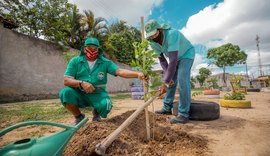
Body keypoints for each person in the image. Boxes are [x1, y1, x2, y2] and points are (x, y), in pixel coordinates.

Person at [59, 37, 145, 125]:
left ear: (98, 49)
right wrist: (81, 83)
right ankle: (79, 117)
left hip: (97, 93)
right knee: (65, 93)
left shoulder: (105, 62)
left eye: (94, 49)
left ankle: (97, 113)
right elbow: (66, 80)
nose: (92, 51)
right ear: (84, 49)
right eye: (89, 48)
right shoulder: (75, 61)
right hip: (79, 92)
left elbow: (119, 71)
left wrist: (137, 74)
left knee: (106, 105)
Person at [145, 19, 195, 124]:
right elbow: (162, 60)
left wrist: (166, 81)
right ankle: (167, 108)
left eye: (155, 34)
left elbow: (172, 60)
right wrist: (168, 78)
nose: (153, 37)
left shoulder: (172, 34)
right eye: (151, 35)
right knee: (171, 80)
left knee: (182, 80)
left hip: (186, 54)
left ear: (159, 29)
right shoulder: (152, 43)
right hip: (174, 59)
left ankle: (183, 114)